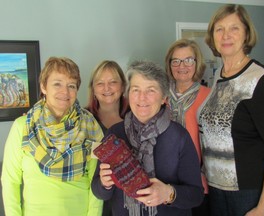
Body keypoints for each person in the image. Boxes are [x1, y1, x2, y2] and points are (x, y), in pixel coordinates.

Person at [197, 4, 264, 216]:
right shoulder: (218, 75)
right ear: (212, 36)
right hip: (216, 187)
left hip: (248, 192)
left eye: (234, 28)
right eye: (219, 29)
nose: (226, 35)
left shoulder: (262, 79)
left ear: (246, 34)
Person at [91, 60, 204, 216]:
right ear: (128, 94)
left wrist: (168, 193)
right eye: (136, 90)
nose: (142, 98)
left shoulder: (179, 137)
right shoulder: (115, 134)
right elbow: (99, 192)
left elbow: (196, 196)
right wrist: (104, 184)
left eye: (150, 90)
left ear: (164, 97)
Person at [1, 57, 104, 216]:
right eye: (57, 84)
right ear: (43, 86)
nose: (65, 92)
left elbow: (96, 182)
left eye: (71, 85)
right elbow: (10, 181)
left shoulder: (91, 127)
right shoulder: (22, 127)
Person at [165, 38, 210, 215]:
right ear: (169, 65)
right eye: (176, 60)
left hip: (197, 179)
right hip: (165, 178)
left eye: (188, 60)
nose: (181, 65)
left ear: (196, 63)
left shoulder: (208, 96)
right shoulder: (161, 96)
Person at [86, 60, 129, 216]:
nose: (107, 88)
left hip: (130, 203)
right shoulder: (82, 120)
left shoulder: (136, 117)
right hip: (95, 202)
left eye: (113, 82)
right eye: (100, 83)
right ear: (93, 89)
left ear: (123, 86)